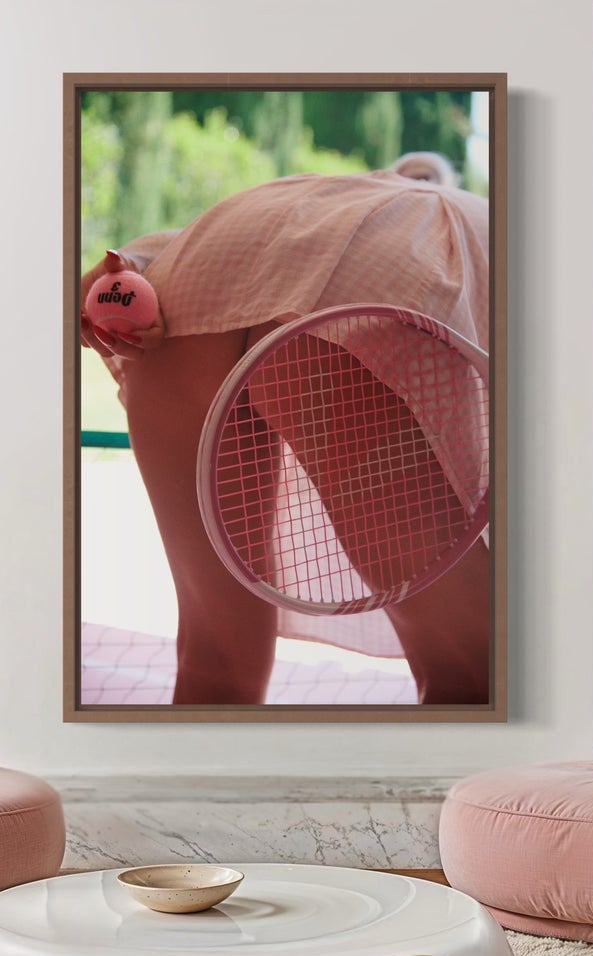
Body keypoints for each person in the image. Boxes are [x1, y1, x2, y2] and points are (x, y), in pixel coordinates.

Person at [82, 164, 491, 706]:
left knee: (214, 664)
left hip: (188, 289)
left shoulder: (312, 188)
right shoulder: (465, 219)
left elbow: (151, 260)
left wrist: (121, 272)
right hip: (354, 290)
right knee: (471, 674)